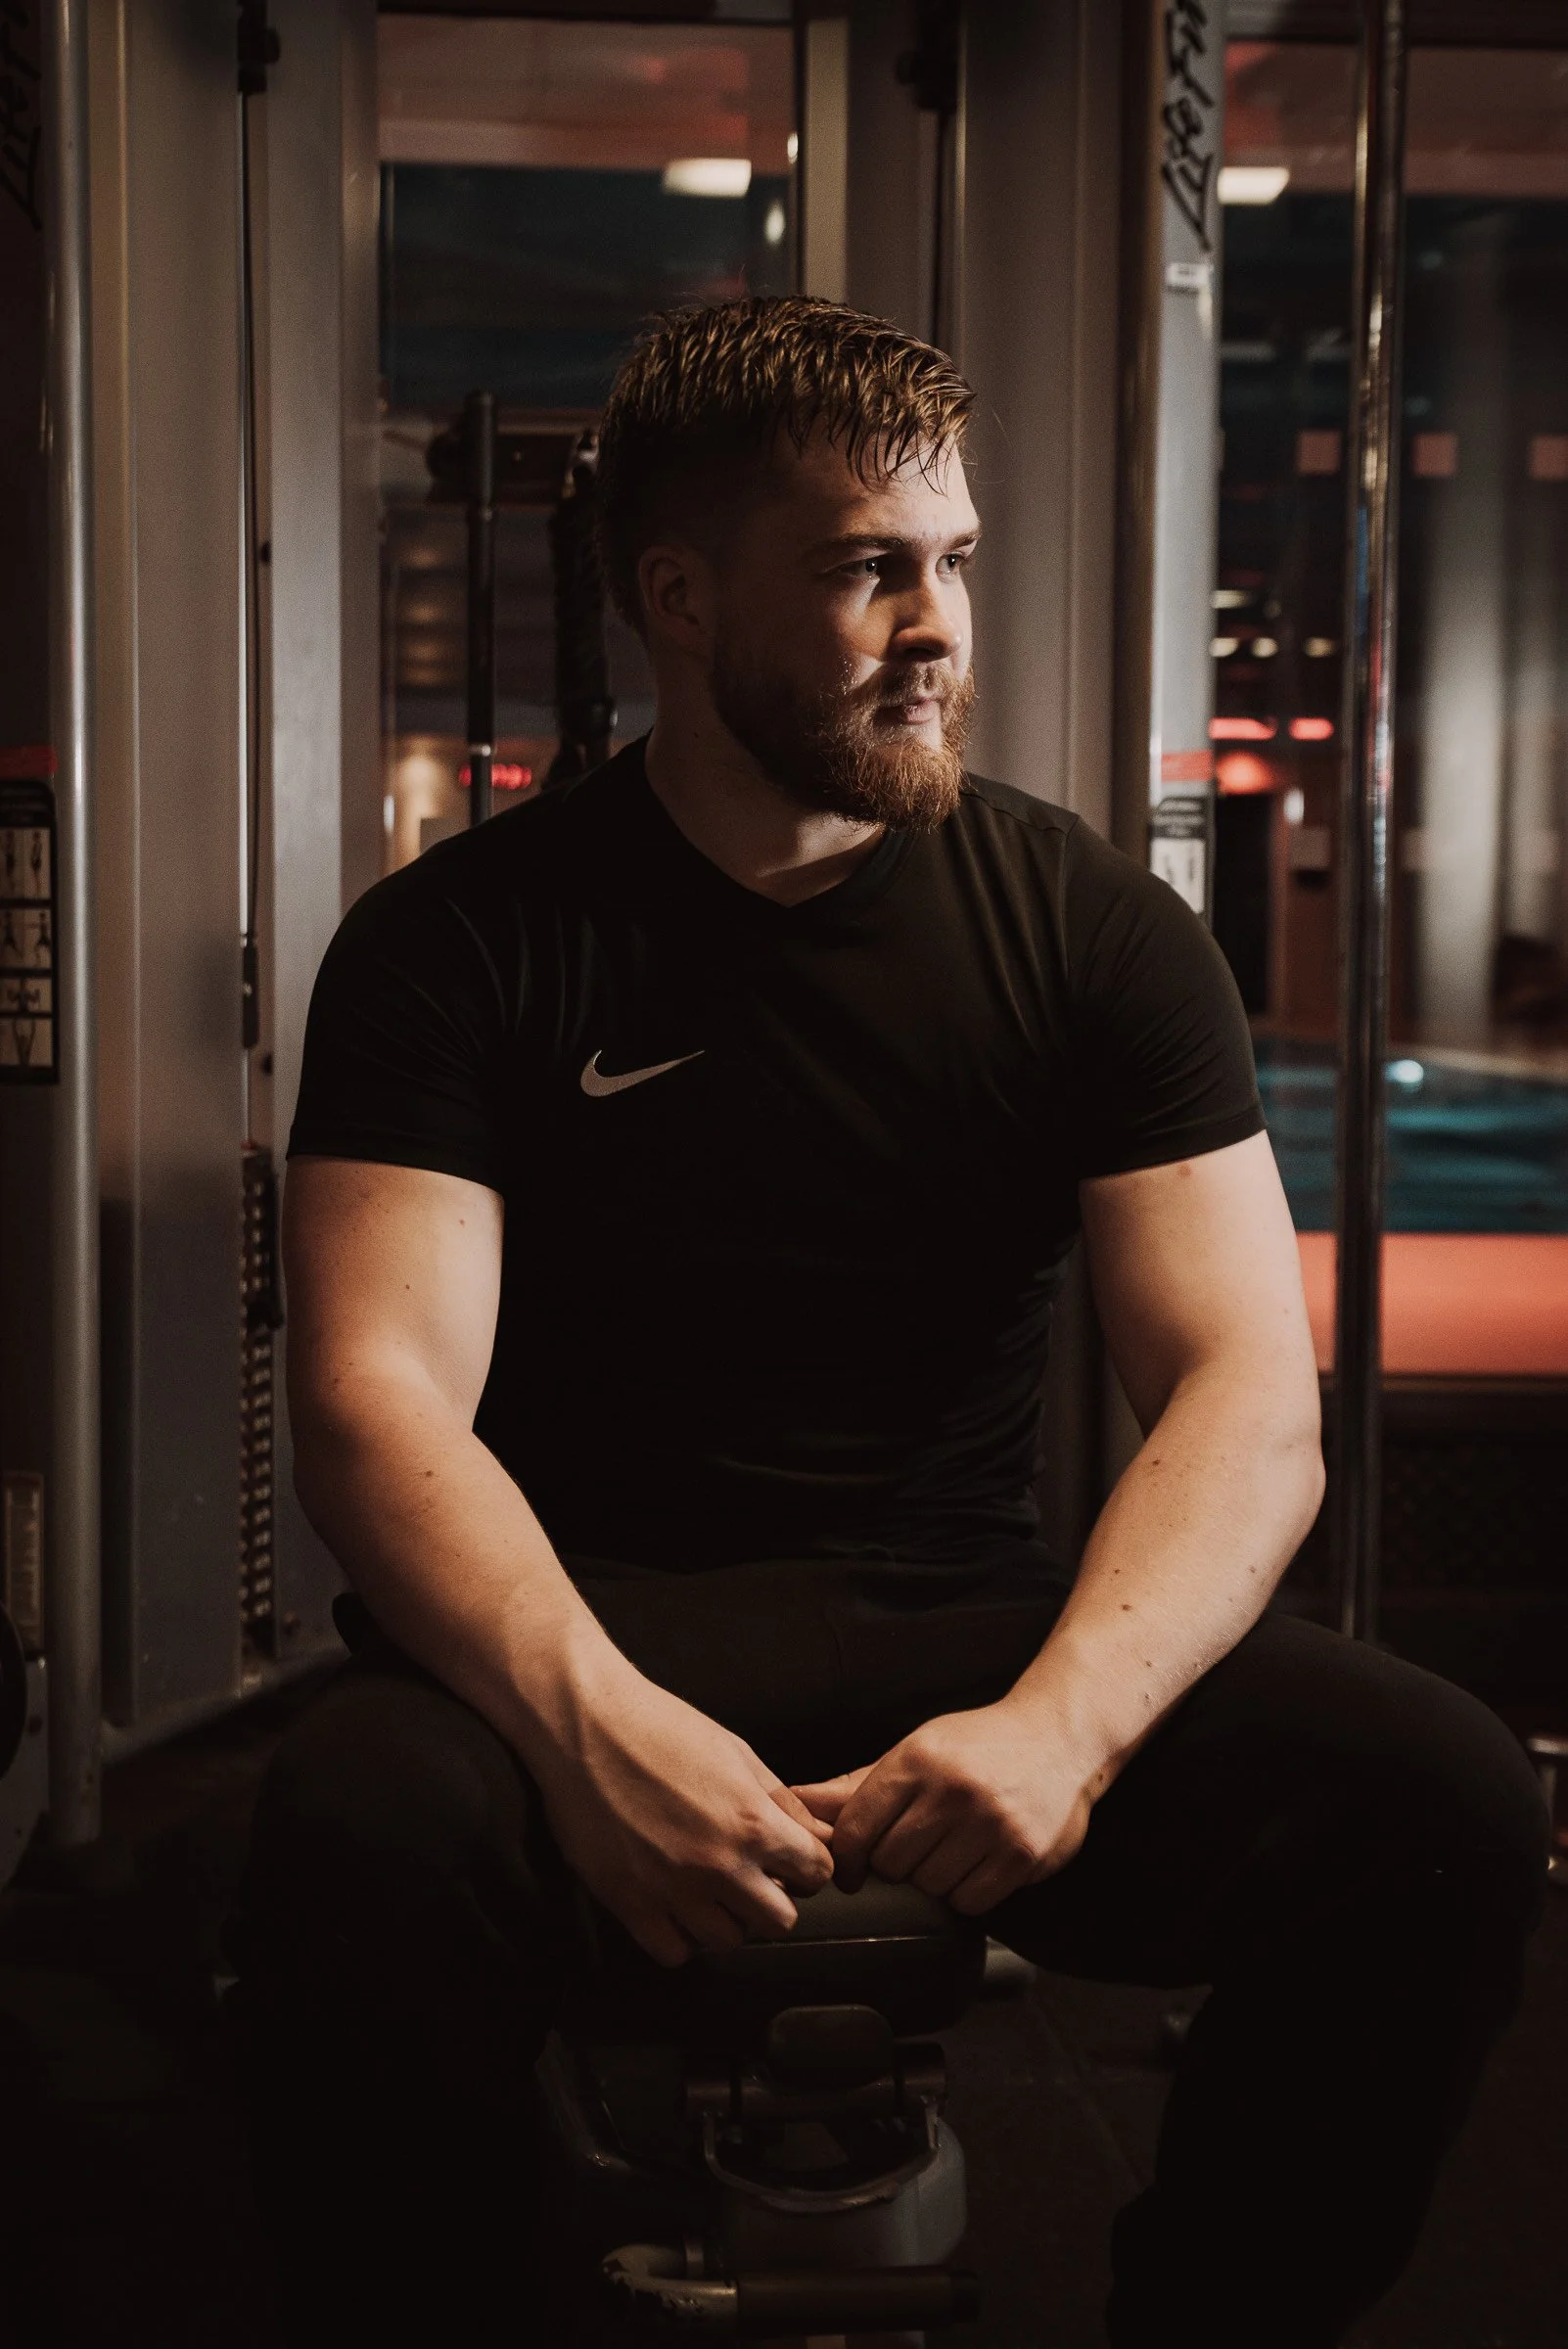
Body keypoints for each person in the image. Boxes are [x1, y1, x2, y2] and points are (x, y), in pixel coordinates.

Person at [239, 298, 1545, 2349]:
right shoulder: (460, 946)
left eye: (950, 562)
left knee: (1446, 1807)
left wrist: (1068, 1722)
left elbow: (1242, 1395)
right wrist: (594, 1737)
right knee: (347, 1840)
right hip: (582, 1629)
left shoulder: (1092, 929)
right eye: (868, 569)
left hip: (967, 1628)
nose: (939, 621)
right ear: (679, 597)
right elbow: (377, 1399)